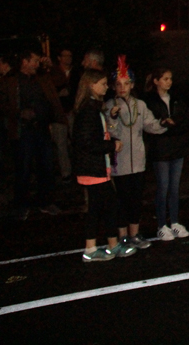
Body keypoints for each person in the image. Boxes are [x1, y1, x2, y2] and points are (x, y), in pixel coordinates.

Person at [0, 49, 67, 219]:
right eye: (34, 60)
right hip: (23, 131)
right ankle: (21, 204)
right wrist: (19, 113)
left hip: (41, 129)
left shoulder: (42, 77)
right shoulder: (10, 80)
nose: (37, 64)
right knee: (24, 168)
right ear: (25, 62)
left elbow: (61, 80)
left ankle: (45, 201)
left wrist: (52, 67)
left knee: (46, 167)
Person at [73, 69, 136, 262]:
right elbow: (86, 142)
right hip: (93, 168)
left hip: (99, 167)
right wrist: (111, 145)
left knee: (107, 205)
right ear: (91, 85)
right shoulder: (88, 111)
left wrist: (110, 141)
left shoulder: (93, 108)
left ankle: (111, 244)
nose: (105, 87)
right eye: (102, 83)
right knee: (101, 206)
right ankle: (92, 249)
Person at [105, 57, 166, 250]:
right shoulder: (108, 106)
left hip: (138, 161)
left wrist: (164, 125)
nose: (122, 88)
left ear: (132, 85)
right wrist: (113, 117)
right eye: (118, 84)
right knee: (121, 200)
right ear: (114, 86)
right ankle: (122, 235)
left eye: (126, 84)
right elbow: (110, 131)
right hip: (119, 163)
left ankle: (134, 233)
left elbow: (150, 125)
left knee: (136, 199)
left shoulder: (139, 105)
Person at [143, 68, 189, 241]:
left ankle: (175, 221)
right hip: (160, 150)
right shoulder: (149, 101)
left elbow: (185, 120)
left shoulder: (177, 99)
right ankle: (161, 225)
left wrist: (173, 126)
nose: (169, 82)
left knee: (174, 187)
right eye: (165, 79)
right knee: (163, 187)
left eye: (170, 79)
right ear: (156, 81)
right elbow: (153, 126)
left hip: (177, 147)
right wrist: (168, 126)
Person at [49, 47, 76, 182]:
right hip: (58, 113)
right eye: (65, 56)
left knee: (76, 141)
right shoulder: (53, 72)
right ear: (59, 58)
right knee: (61, 143)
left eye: (70, 56)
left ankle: (78, 168)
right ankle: (66, 172)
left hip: (72, 111)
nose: (68, 59)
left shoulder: (75, 73)